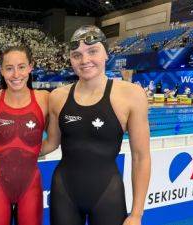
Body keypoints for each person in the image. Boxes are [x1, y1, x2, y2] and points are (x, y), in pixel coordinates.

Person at [42, 25, 151, 225]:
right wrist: (12, 149)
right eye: (77, 55)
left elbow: (141, 157)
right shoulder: (58, 97)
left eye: (92, 51)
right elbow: (51, 143)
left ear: (106, 54)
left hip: (107, 194)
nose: (85, 60)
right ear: (71, 60)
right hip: (64, 192)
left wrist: (136, 214)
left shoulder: (131, 95)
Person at [0, 45, 48, 225]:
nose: (15, 74)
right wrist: (0, 147)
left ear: (31, 66)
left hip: (30, 183)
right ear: (1, 70)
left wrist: (32, 151)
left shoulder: (44, 99)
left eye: (21, 67)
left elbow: (54, 139)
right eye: (9, 68)